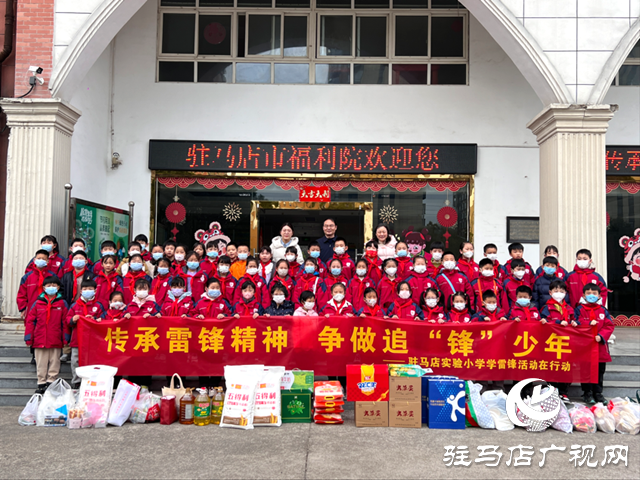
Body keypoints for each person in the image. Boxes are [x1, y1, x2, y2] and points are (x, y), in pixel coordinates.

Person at [24, 276, 68, 393]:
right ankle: (41, 383)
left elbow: (65, 322)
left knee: (55, 362)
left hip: (56, 338)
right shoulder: (37, 303)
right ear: (44, 288)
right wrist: (28, 338)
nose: (51, 287)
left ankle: (51, 382)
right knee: (41, 362)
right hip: (39, 338)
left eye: (54, 285)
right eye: (49, 285)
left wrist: (65, 338)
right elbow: (30, 321)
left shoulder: (62, 303)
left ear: (58, 287)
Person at [574, 284, 615, 404]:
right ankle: (587, 393)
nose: (591, 295)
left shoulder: (603, 310)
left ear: (599, 296)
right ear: (583, 295)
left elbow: (609, 325)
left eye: (594, 293)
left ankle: (598, 393)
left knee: (599, 370)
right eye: (588, 293)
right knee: (585, 370)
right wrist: (587, 325)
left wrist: (601, 336)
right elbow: (576, 323)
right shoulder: (579, 310)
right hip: (584, 347)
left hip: (600, 347)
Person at [539, 279, 577, 403]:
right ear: (550, 292)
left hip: (566, 342)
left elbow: (575, 320)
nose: (559, 293)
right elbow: (543, 322)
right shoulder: (547, 308)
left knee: (566, 368)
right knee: (552, 367)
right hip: (552, 342)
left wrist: (574, 323)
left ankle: (564, 392)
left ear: (565, 293)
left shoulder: (569, 308)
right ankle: (552, 391)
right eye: (556, 291)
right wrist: (557, 322)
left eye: (561, 291)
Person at [65, 279, 105, 389]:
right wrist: (73, 319)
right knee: (75, 361)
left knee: (92, 361)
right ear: (81, 291)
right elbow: (67, 320)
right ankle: (76, 382)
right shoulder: (75, 305)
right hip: (77, 340)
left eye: (90, 289)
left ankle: (91, 382)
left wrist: (95, 319)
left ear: (95, 291)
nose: (87, 291)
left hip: (94, 341)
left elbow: (103, 319)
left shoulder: (98, 306)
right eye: (85, 289)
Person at [17, 249, 58, 321]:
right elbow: (21, 294)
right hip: (31, 310)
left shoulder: (52, 276)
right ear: (34, 260)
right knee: (31, 326)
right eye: (39, 258)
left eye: (43, 259)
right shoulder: (27, 277)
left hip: (49, 310)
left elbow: (59, 292)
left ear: (47, 261)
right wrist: (23, 309)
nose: (41, 260)